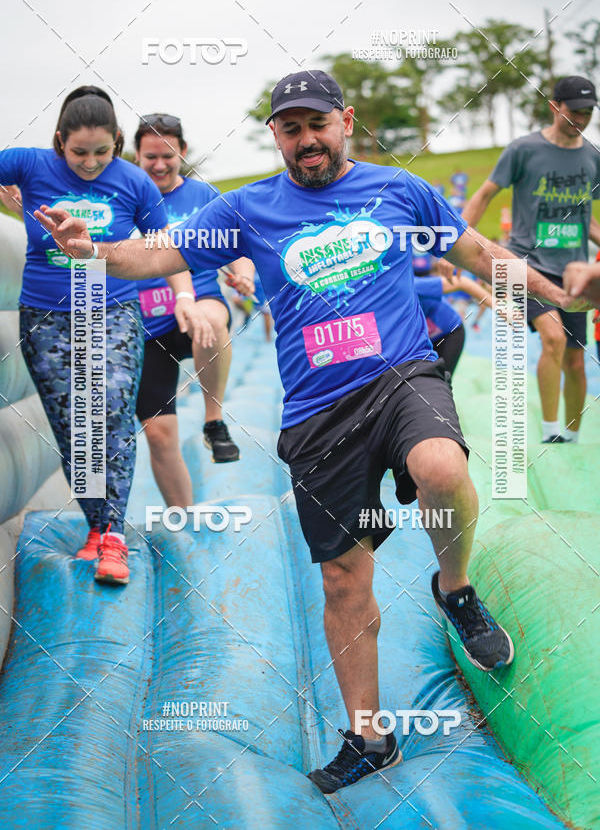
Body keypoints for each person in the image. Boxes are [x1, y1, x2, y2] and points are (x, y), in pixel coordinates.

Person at [36, 70, 593, 792]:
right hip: (316, 412)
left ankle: (454, 589)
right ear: (276, 135)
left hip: (401, 376)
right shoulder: (246, 208)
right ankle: (371, 737)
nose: (307, 140)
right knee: (341, 579)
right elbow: (156, 255)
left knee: (442, 468)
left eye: (317, 124)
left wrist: (559, 296)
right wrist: (92, 250)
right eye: (291, 128)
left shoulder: (401, 191)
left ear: (346, 122)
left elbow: (482, 255)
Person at [0, 86, 205, 584]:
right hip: (46, 317)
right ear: (58, 142)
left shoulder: (134, 182)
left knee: (109, 414)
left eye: (101, 152)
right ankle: (97, 525)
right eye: (78, 153)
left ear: (117, 141)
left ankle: (113, 536)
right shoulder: (29, 165)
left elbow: (165, 250)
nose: (90, 163)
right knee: (73, 426)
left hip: (111, 310)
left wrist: (185, 296)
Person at [462, 76, 600, 443]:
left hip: (574, 271)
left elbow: (586, 219)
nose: (581, 119)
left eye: (588, 112)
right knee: (553, 338)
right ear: (555, 107)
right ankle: (551, 433)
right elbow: (484, 194)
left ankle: (572, 437)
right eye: (574, 112)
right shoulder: (523, 149)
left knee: (576, 360)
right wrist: (455, 238)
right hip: (528, 265)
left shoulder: (593, 157)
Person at [133, 114, 251, 505]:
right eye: (151, 157)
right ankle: (181, 517)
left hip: (200, 302)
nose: (160, 164)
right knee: (158, 434)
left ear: (182, 152)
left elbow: (239, 247)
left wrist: (243, 275)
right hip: (148, 325)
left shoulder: (204, 196)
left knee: (210, 320)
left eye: (168, 155)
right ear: (136, 156)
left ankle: (213, 421)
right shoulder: (127, 197)